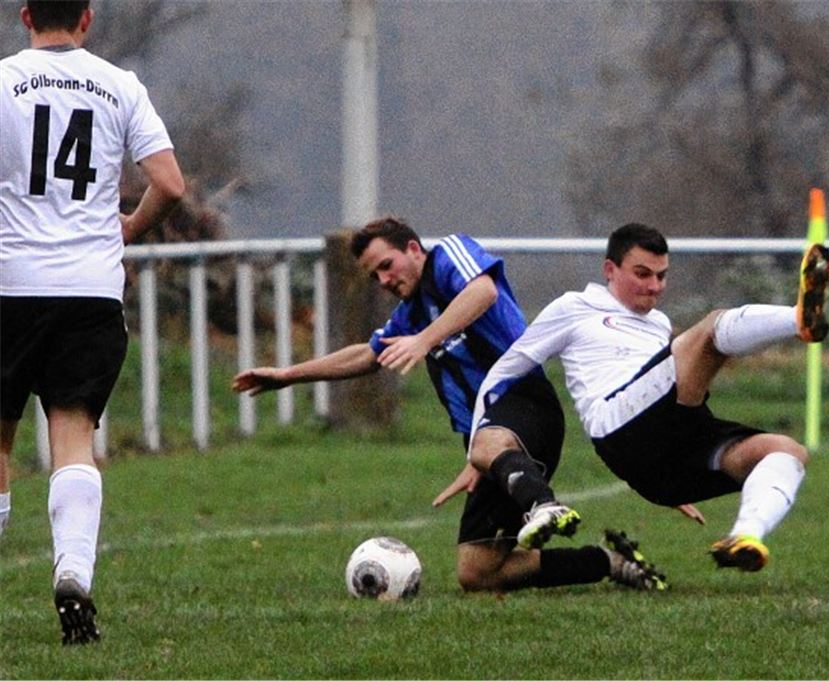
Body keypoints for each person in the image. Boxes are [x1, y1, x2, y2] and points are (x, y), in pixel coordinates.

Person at [232, 216, 666, 594]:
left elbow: (483, 293)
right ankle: (610, 563)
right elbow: (367, 355)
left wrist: (425, 339)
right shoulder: (410, 313)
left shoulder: (451, 256)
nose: (383, 280)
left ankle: (543, 504)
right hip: (488, 438)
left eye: (386, 265)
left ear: (414, 249)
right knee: (479, 573)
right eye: (373, 276)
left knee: (487, 445)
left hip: (524, 402)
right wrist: (288, 375)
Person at [456, 223, 829, 573]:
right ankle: (799, 319)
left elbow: (666, 384)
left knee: (785, 450)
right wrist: (480, 442)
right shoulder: (574, 308)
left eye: (661, 276)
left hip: (661, 462)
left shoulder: (658, 324)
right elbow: (504, 371)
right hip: (617, 424)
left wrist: (672, 482)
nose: (654, 286)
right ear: (610, 270)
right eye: (642, 274)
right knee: (708, 331)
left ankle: (745, 536)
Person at [0, 0, 186, 645]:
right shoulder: (119, 84)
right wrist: (129, 229)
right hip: (90, 290)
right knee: (74, 436)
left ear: (24, 16)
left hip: (10, 285)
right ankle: (73, 572)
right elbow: (169, 182)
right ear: (88, 18)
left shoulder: (2, 82)